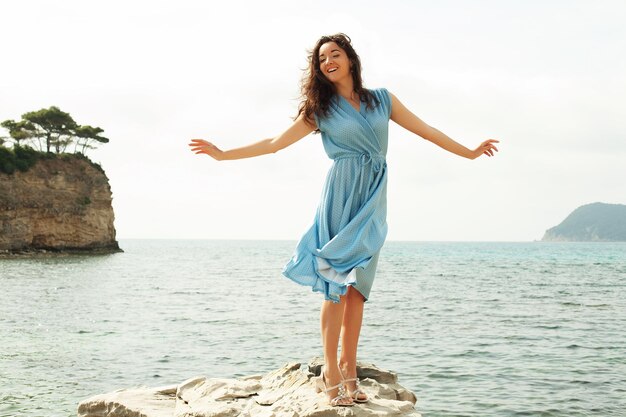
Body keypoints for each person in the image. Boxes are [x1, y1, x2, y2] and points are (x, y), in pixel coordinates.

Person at [189, 33, 499, 407]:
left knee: (359, 289)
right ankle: (331, 372)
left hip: (373, 196)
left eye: (335, 54)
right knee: (337, 281)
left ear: (350, 59)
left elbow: (427, 130)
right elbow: (274, 143)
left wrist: (468, 153)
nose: (328, 61)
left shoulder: (382, 99)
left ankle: (349, 367)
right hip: (341, 194)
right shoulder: (321, 108)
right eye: (322, 59)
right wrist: (223, 155)